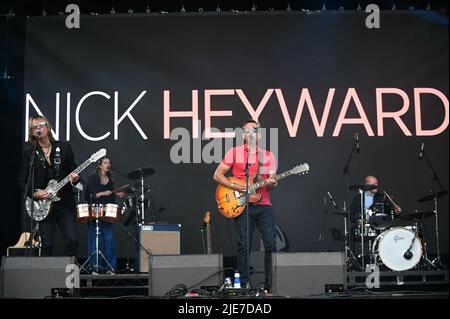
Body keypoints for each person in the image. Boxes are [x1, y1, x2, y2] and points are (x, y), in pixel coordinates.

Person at [213, 119, 277, 291]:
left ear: (260, 134)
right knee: (243, 245)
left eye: (254, 130)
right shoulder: (234, 152)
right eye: (247, 130)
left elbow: (272, 181)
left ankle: (270, 285)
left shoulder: (268, 156)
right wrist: (236, 186)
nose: (251, 133)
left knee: (271, 244)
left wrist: (272, 182)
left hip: (263, 204)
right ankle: (243, 285)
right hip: (241, 204)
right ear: (243, 134)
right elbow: (218, 175)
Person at [18, 115, 80, 257]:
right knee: (46, 244)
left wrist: (75, 179)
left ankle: (71, 275)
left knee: (72, 240)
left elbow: (74, 172)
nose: (38, 128)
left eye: (41, 124)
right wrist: (34, 194)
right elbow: (21, 182)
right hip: (42, 205)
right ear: (32, 132)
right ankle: (47, 277)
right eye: (35, 126)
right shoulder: (30, 153)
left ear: (48, 127)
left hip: (64, 202)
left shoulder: (64, 147)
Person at [84, 156, 124, 274]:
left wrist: (116, 195)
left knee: (109, 240)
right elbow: (88, 196)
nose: (108, 164)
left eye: (109, 162)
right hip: (94, 213)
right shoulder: (92, 179)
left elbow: (110, 196)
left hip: (107, 213)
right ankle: (95, 268)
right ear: (100, 165)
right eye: (105, 162)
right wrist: (102, 193)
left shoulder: (110, 180)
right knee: (95, 241)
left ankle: (110, 268)